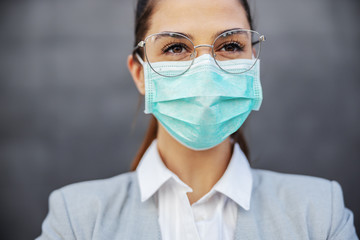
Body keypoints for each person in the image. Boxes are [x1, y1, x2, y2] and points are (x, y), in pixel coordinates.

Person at [36, 0, 358, 239]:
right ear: (140, 73)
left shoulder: (320, 215)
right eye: (176, 47)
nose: (207, 71)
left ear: (253, 61)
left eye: (230, 45)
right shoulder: (76, 221)